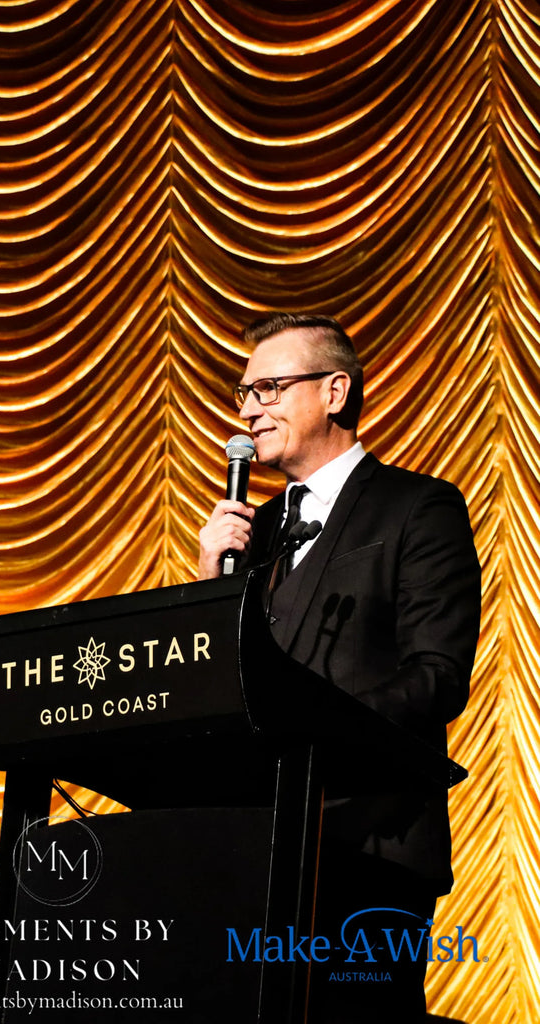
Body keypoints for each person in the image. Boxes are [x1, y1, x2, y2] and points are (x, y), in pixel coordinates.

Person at [198, 313, 481, 1022]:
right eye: (244, 392)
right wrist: (208, 589)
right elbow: (222, 686)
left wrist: (320, 735)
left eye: (269, 388)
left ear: (334, 392)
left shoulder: (417, 507)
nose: (249, 409)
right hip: (256, 851)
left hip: (369, 851)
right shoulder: (255, 531)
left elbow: (437, 673)